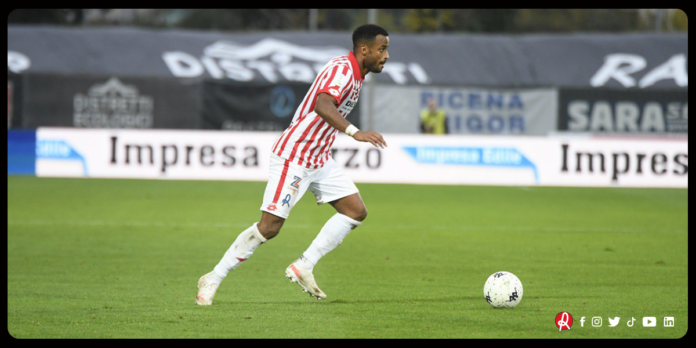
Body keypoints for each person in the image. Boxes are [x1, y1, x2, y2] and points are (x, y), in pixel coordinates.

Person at [196, 24, 390, 304]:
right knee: (270, 227)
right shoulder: (342, 69)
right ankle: (213, 277)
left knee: (355, 211)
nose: (385, 56)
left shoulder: (358, 76)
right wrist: (354, 133)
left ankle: (304, 265)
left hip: (319, 157)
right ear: (364, 49)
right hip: (295, 155)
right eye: (381, 49)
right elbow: (323, 105)